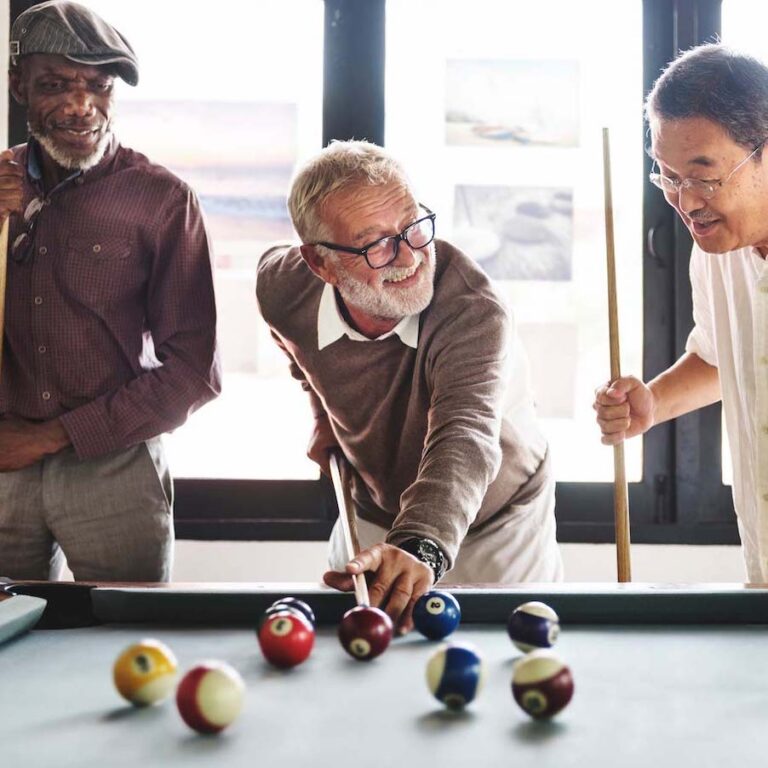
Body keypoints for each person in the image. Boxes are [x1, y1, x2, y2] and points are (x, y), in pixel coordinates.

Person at [257, 140, 562, 632]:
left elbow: (465, 437)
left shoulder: (472, 310)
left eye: (413, 226)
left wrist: (418, 546)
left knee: (506, 660)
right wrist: (321, 415)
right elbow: (294, 346)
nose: (410, 256)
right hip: (376, 507)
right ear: (320, 264)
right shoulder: (283, 286)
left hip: (498, 520)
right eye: (375, 243)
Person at [0, 1, 220, 581]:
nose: (80, 106)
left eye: (99, 85)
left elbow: (195, 372)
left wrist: (48, 438)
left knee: (128, 642)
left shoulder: (163, 200)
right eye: (55, 84)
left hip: (116, 469)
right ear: (18, 86)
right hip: (0, 467)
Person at [594, 43, 768, 582]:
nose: (685, 201)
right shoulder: (715, 247)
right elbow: (723, 357)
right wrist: (652, 404)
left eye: (703, 176)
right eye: (667, 176)